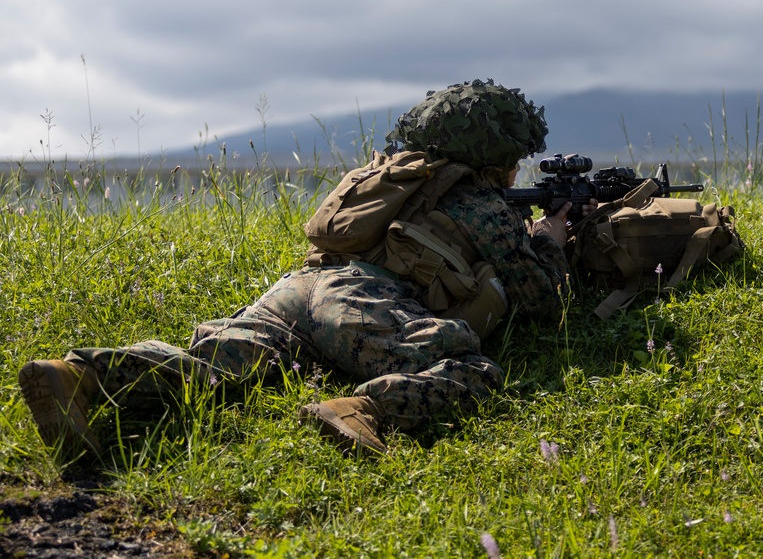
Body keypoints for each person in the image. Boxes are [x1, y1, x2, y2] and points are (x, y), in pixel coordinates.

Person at [18, 79, 574, 459]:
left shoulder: (385, 175)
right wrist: (550, 240)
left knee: (214, 369)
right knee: (474, 372)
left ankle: (80, 375)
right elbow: (544, 301)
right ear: (494, 151)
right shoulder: (477, 200)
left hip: (297, 288)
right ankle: (363, 408)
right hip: (362, 303)